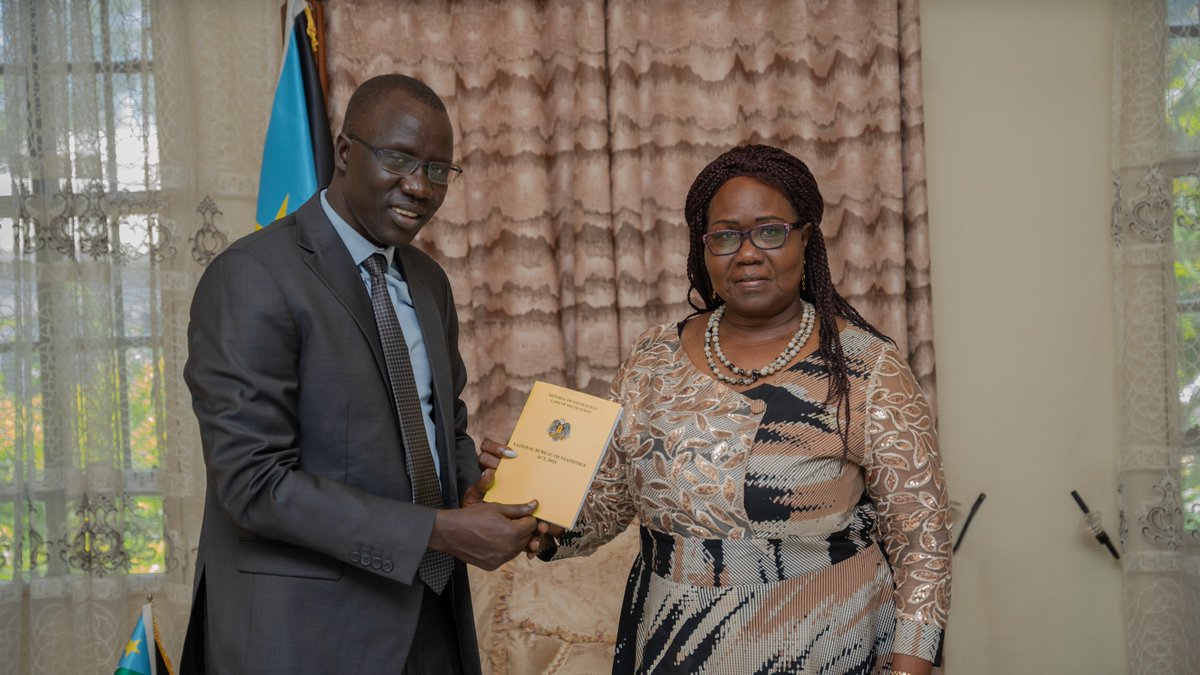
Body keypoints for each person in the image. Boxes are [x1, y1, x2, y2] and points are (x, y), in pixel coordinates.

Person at [485, 144, 952, 675]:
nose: (747, 253)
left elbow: (922, 543)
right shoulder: (652, 357)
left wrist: (909, 669)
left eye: (770, 231)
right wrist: (529, 512)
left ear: (805, 238)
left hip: (823, 643)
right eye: (725, 236)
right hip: (674, 644)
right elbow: (608, 505)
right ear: (703, 251)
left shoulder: (866, 368)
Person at [180, 74, 538, 675]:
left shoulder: (428, 281)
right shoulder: (251, 276)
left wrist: (473, 491)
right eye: (398, 159)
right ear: (345, 153)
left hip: (431, 622)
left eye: (439, 170)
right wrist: (441, 531)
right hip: (301, 636)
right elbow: (254, 484)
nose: (419, 186)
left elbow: (440, 430)